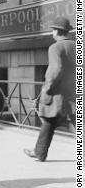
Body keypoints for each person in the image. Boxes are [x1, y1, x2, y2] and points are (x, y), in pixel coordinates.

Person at [24, 17, 76, 162]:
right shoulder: (78, 46)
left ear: (57, 31)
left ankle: (39, 153)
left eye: (53, 30)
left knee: (49, 121)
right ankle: (39, 152)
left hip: (57, 94)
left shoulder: (55, 47)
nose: (52, 32)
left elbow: (55, 70)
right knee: (77, 124)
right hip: (74, 93)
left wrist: (46, 89)